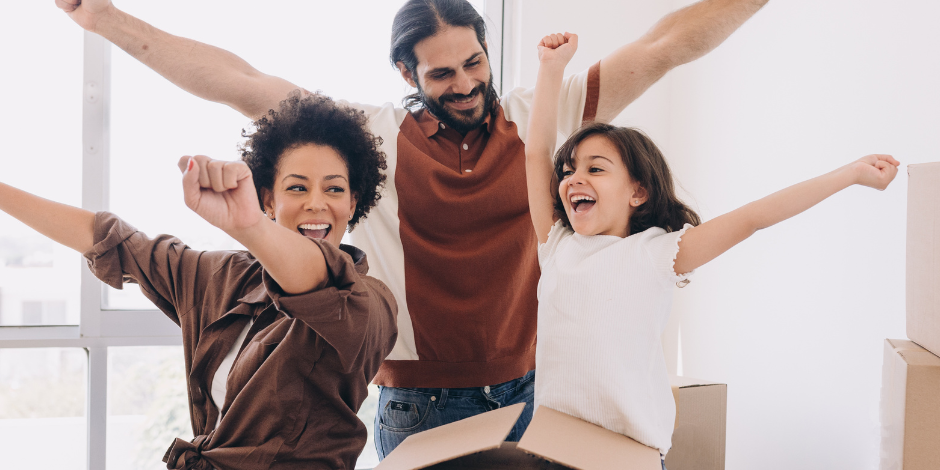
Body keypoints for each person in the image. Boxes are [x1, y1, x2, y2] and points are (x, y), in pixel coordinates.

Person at [54, 0, 770, 457]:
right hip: (416, 407)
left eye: (474, 63)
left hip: (528, 392)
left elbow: (665, 45)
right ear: (405, 71)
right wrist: (107, 20)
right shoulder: (371, 137)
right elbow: (238, 79)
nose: (463, 84)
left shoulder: (536, 119)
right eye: (440, 73)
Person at [525, 32, 899, 468]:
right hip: (555, 448)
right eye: (569, 171)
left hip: (624, 456)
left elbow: (753, 217)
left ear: (638, 192)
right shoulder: (556, 246)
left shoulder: (656, 253)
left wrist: (850, 174)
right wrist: (551, 70)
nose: (573, 179)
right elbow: (536, 154)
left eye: (595, 168)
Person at [0, 94, 398, 469]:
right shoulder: (225, 277)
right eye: (297, 187)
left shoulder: (370, 303)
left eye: (334, 189)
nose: (316, 202)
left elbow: (317, 278)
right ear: (269, 199)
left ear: (352, 202)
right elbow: (114, 241)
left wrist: (251, 227)